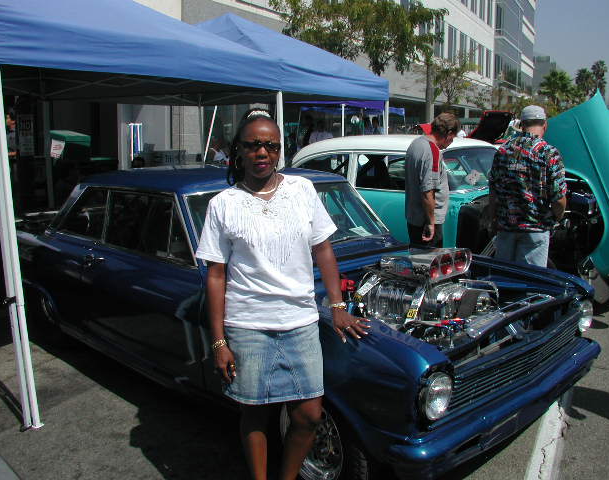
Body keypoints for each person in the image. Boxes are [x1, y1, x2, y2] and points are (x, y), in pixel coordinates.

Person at [195, 109, 370, 480]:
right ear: (238, 151)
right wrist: (219, 342)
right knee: (255, 412)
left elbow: (323, 249)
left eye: (271, 146)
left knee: (308, 416)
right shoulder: (223, 204)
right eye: (253, 145)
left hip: (300, 322)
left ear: (280, 150)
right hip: (248, 325)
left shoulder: (301, 190)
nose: (263, 152)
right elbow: (216, 275)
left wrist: (338, 305)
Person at [488, 105, 567, 267]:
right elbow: (559, 199)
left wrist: (493, 219)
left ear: (522, 125)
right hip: (536, 230)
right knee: (530, 279)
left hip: (506, 228)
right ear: (545, 125)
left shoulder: (503, 150)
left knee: (505, 277)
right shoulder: (549, 153)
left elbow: (493, 189)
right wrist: (556, 218)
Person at [404, 112, 460, 248]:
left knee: (417, 257)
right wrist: (430, 222)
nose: (451, 142)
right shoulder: (432, 150)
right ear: (449, 133)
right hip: (426, 221)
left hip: (415, 218)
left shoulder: (416, 143)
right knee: (430, 259)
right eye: (453, 138)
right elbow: (427, 191)